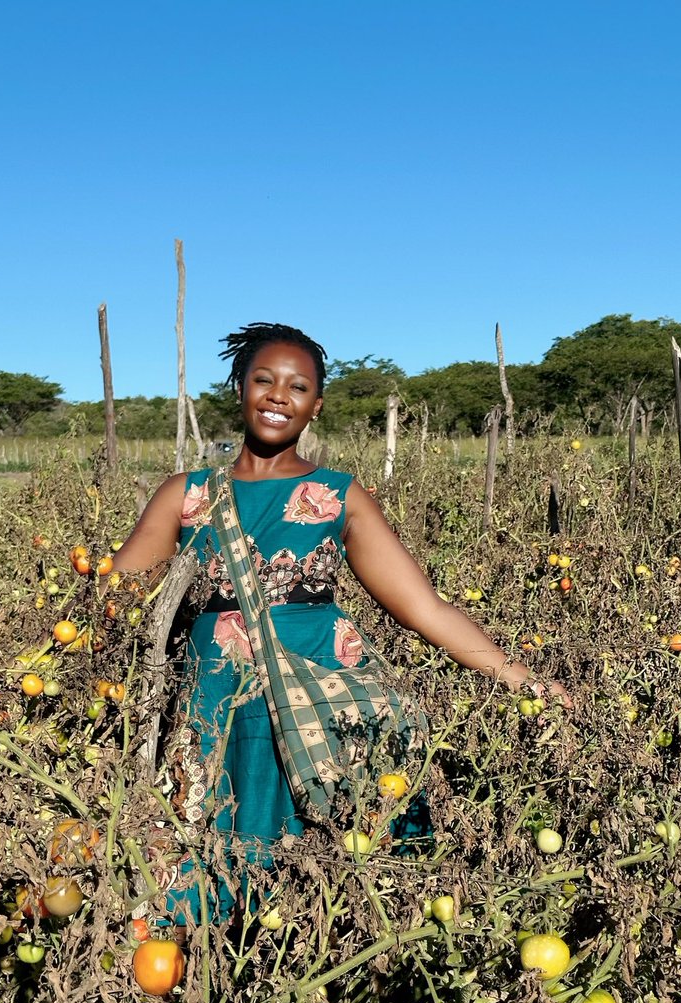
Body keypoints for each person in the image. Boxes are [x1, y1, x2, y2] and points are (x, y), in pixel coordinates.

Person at [113, 322, 570, 923]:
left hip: (319, 706)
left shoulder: (338, 495)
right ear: (240, 388)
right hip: (215, 709)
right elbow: (116, 600)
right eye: (265, 381)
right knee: (202, 877)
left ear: (316, 405)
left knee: (324, 880)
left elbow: (422, 608)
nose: (280, 396)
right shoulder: (186, 494)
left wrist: (519, 678)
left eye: (298, 387)